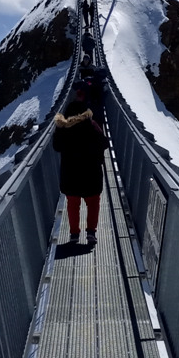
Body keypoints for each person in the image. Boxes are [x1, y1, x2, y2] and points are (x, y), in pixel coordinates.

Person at [52, 82, 107, 246]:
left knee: (73, 204)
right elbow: (104, 143)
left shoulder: (63, 128)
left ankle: (74, 234)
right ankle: (91, 233)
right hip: (91, 172)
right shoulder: (91, 125)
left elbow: (56, 146)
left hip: (70, 173)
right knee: (93, 202)